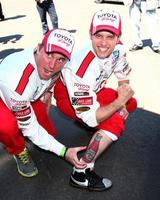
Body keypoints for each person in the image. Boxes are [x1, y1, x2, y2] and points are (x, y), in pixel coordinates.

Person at [54, 9, 137, 191]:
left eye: (110, 36)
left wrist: (123, 94)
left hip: (94, 91)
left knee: (130, 103)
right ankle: (80, 172)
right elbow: (91, 116)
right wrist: (116, 105)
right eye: (98, 35)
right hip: (68, 96)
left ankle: (103, 129)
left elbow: (123, 74)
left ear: (118, 37)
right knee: (113, 122)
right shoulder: (80, 68)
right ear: (90, 35)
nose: (104, 43)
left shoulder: (119, 48)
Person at [0, 28, 87, 178]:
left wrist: (48, 92)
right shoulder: (18, 82)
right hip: (7, 94)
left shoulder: (55, 64)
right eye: (49, 55)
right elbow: (30, 128)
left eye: (60, 59)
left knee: (49, 134)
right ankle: (17, 149)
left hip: (28, 96)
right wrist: (63, 151)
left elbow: (54, 76)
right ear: (39, 48)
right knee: (8, 127)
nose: (52, 65)